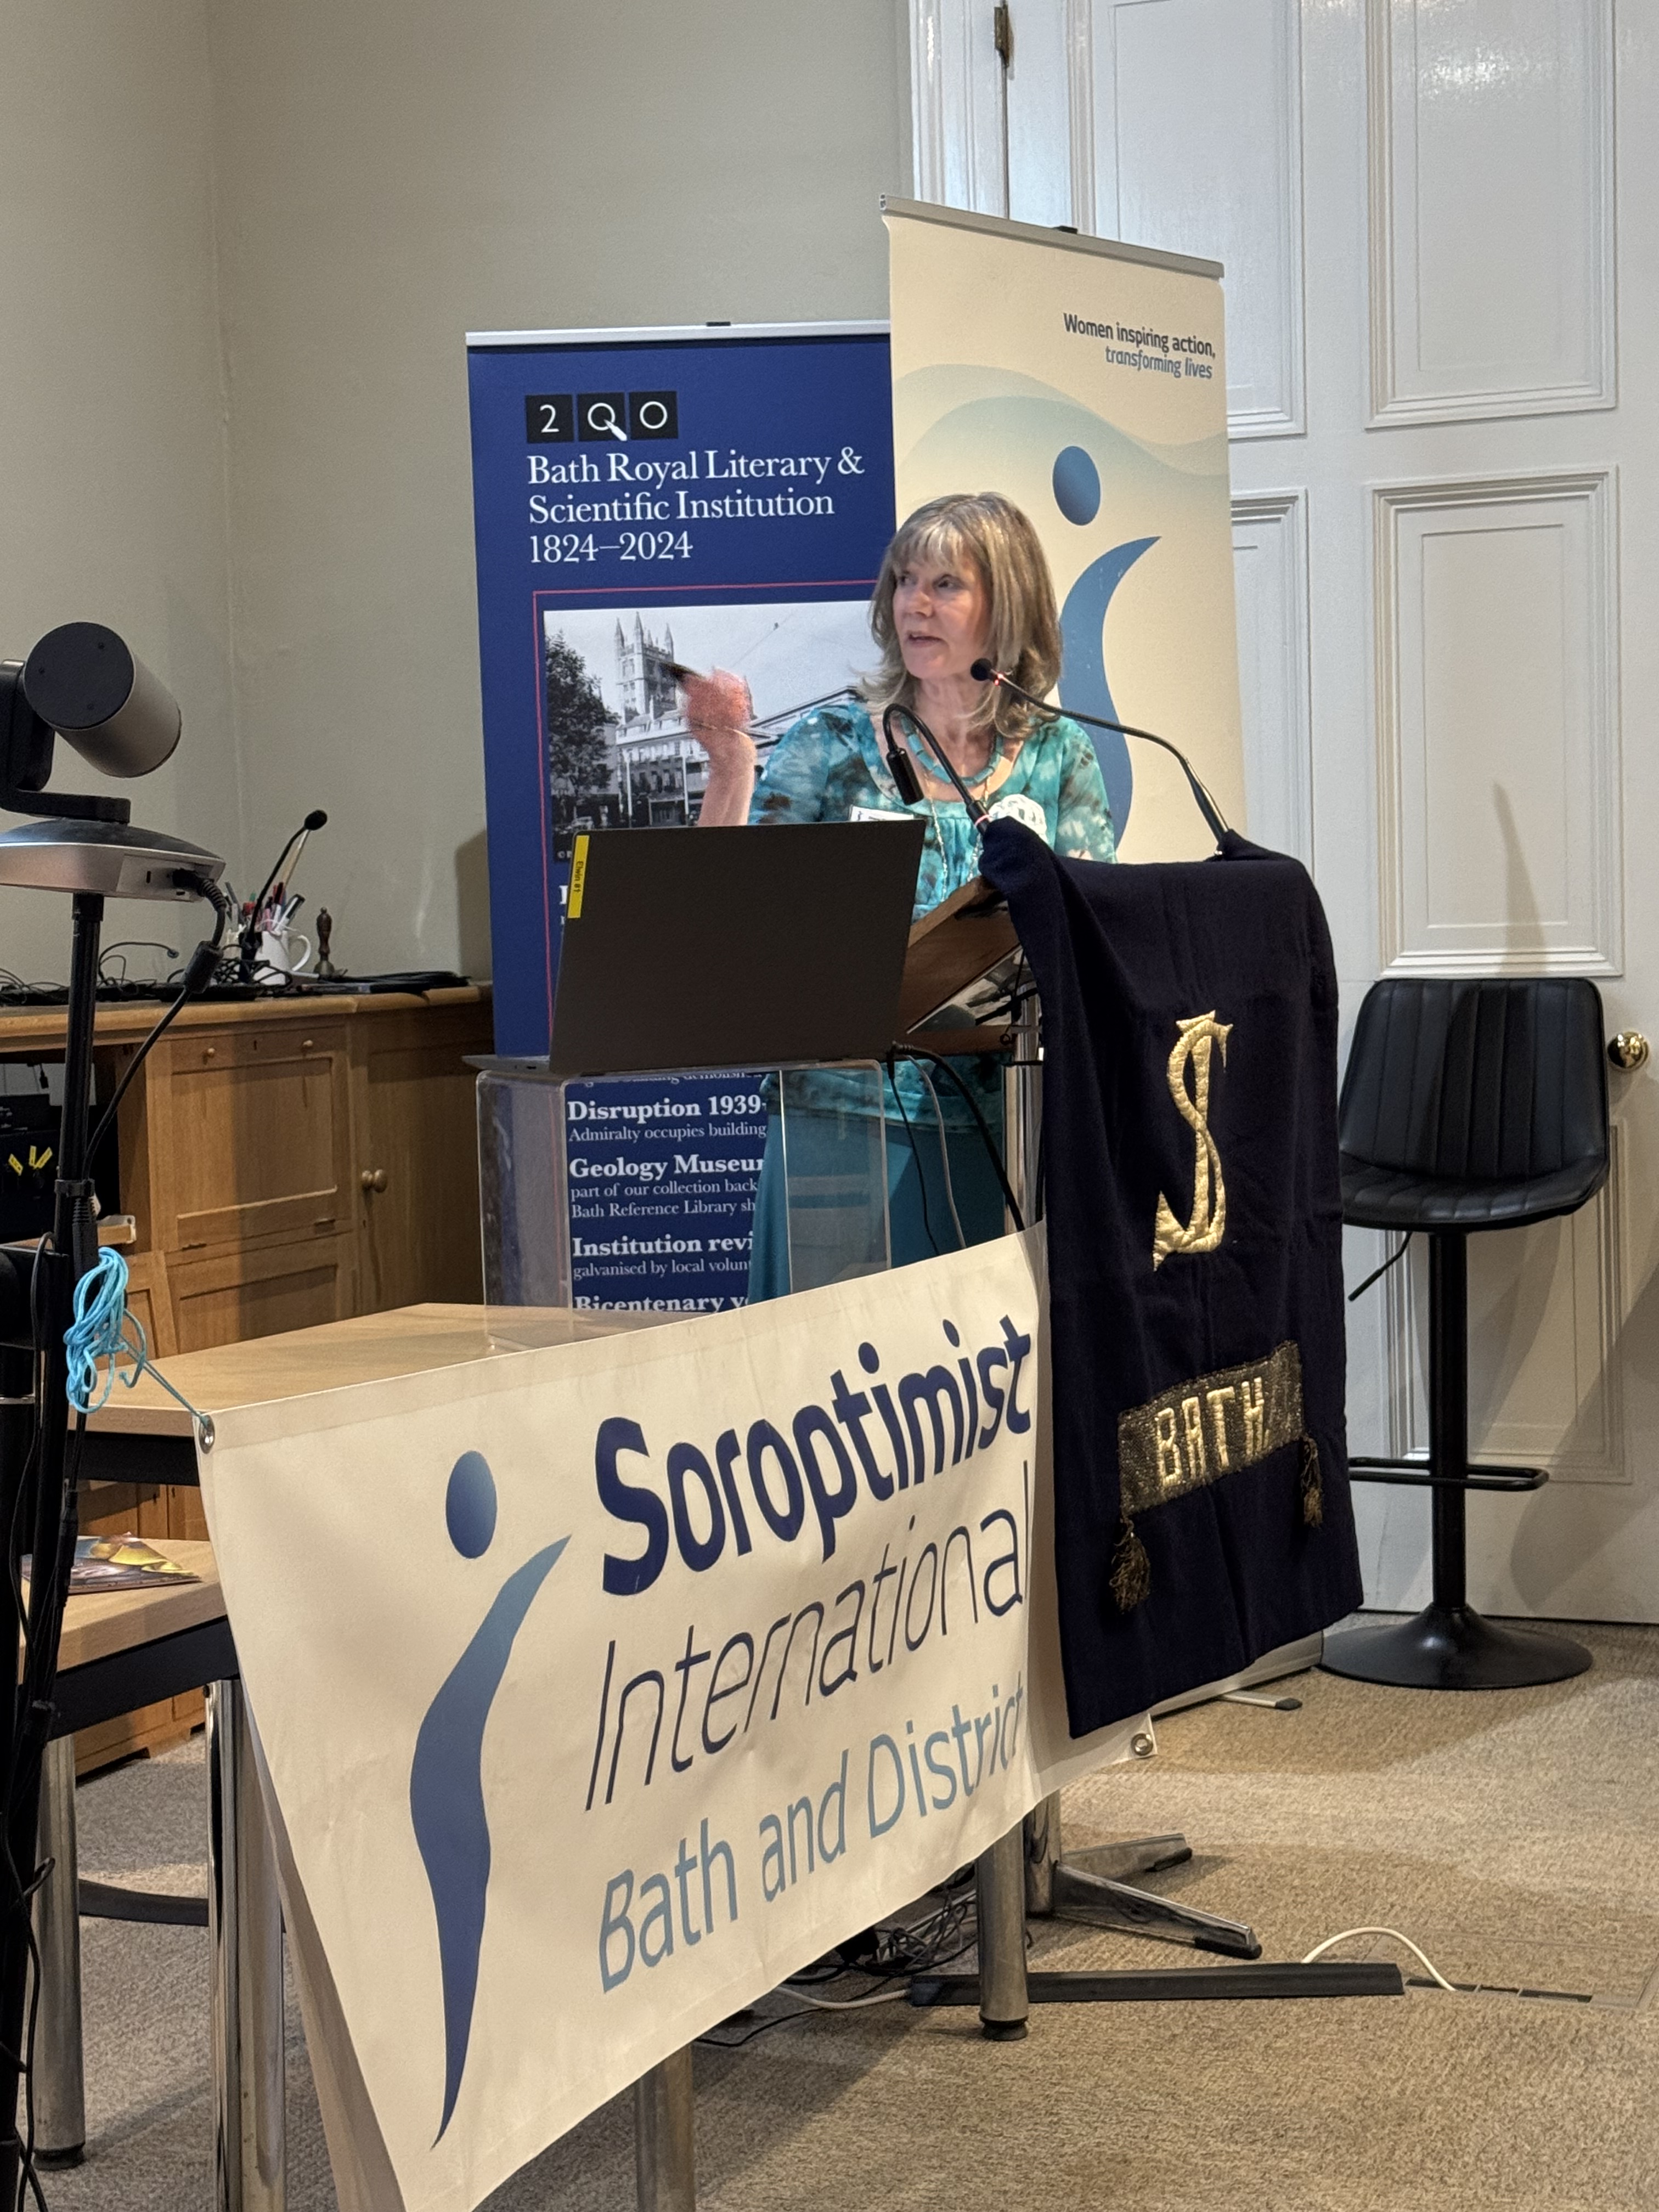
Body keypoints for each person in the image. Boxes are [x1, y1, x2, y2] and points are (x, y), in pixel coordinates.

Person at [681, 490, 1118, 1295]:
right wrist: (730, 768)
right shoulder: (834, 744)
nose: (914, 604)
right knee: (826, 1360)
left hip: (1003, 1125)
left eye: (945, 584)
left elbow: (1097, 937)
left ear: (1007, 603)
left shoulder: (1059, 756)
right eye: (904, 581)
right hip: (838, 1121)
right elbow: (722, 915)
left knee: (980, 1361)